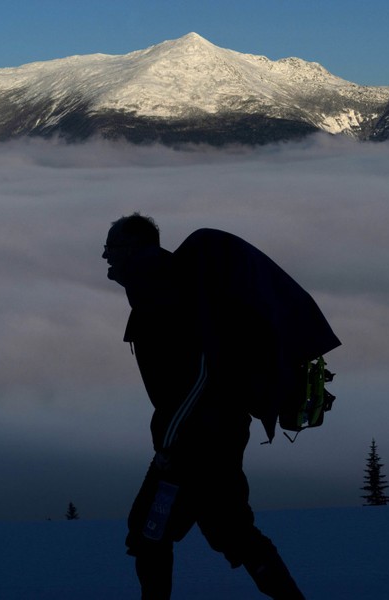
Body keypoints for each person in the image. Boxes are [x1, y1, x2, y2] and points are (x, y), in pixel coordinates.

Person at [104, 213, 322, 600]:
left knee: (148, 532)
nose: (106, 257)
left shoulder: (164, 291)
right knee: (232, 532)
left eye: (112, 249)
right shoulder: (163, 285)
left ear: (133, 250)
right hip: (218, 433)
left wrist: (169, 444)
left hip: (195, 444)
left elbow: (202, 373)